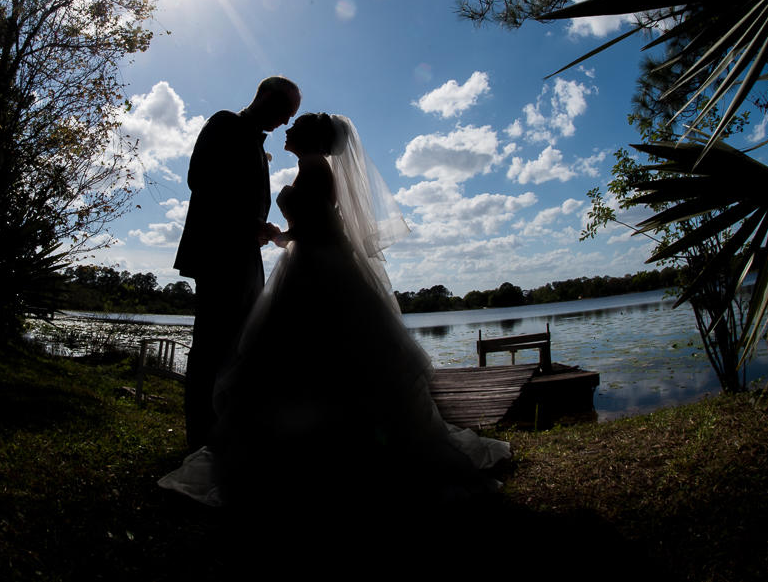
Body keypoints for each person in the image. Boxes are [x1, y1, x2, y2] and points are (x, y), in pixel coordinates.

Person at [160, 113, 511, 508]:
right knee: (304, 359)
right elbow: (314, 224)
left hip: (317, 270)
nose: (287, 130)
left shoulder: (315, 168)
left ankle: (327, 448)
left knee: (316, 355)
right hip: (308, 264)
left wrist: (281, 234)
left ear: (310, 138)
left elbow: (319, 227)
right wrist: (280, 235)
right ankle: (306, 441)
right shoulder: (309, 167)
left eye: (296, 126)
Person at [173, 76, 302, 451]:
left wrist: (261, 228)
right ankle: (199, 438)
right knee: (211, 347)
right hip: (218, 253)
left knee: (237, 348)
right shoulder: (225, 123)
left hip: (246, 257)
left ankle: (224, 432)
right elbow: (200, 180)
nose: (284, 121)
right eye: (283, 111)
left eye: (290, 115)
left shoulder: (257, 145)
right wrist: (252, 225)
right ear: (263, 96)